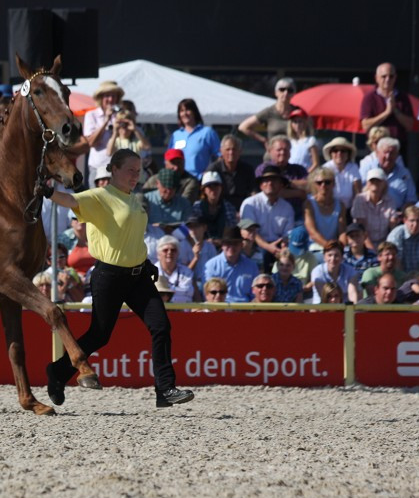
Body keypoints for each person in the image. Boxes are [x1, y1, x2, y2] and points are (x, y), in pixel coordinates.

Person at [45, 148, 195, 408]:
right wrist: (46, 192)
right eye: (130, 170)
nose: (135, 176)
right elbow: (69, 201)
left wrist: (145, 261)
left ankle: (165, 389)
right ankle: (57, 372)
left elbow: (131, 237)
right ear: (113, 170)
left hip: (138, 276)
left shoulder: (134, 199)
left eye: (138, 171)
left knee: (161, 326)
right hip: (109, 276)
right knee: (99, 335)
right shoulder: (100, 196)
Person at [240, 165, 295, 270]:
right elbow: (250, 232)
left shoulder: (287, 208)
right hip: (255, 246)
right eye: (266, 180)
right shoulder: (249, 203)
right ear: (261, 185)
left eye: (274, 180)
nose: (270, 183)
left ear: (281, 185)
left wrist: (283, 250)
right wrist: (268, 247)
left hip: (279, 247)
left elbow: (288, 234)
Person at [359, 62, 415, 151]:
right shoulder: (370, 98)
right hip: (376, 149)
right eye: (384, 76)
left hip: (398, 148)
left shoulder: (403, 97)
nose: (388, 79)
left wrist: (395, 111)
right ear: (376, 78)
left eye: (391, 76)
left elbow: (410, 125)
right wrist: (386, 113)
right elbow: (365, 125)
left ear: (395, 78)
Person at [253, 136, 309, 217]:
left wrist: (287, 184)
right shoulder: (263, 169)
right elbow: (270, 193)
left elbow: (310, 187)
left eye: (285, 150)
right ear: (270, 151)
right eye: (279, 150)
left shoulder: (299, 170)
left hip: (297, 215)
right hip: (270, 215)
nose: (282, 153)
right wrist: (299, 192)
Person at [238, 77, 301, 149]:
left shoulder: (298, 112)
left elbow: (308, 131)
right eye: (282, 89)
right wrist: (263, 140)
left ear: (294, 93)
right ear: (276, 93)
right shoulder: (269, 112)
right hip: (272, 156)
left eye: (290, 90)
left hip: (293, 154)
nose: (285, 93)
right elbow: (243, 127)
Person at [203, 226, 259, 303]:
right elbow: (208, 293)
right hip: (220, 308)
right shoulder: (211, 265)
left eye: (235, 243)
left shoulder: (252, 266)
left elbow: (255, 294)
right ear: (222, 246)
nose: (231, 247)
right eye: (228, 243)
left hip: (245, 309)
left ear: (241, 245)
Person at [167, 98, 220, 179]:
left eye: (187, 110)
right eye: (181, 111)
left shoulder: (207, 132)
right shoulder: (176, 135)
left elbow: (219, 157)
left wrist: (209, 172)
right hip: (179, 181)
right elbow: (168, 159)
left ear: (194, 112)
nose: (184, 113)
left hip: (199, 179)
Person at [350, 168, 399, 249]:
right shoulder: (360, 199)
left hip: (384, 243)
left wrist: (386, 248)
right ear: (368, 183)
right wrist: (373, 251)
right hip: (363, 244)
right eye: (372, 181)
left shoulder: (390, 201)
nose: (375, 183)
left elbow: (392, 228)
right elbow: (361, 229)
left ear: (384, 183)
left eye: (378, 181)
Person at [362, 137, 416, 209]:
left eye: (392, 153)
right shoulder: (367, 168)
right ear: (377, 153)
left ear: (397, 155)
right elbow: (359, 193)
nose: (388, 156)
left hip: (398, 215)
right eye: (385, 152)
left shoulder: (404, 173)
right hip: (370, 213)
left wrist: (404, 213)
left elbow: (411, 199)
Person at [204, 134, 255, 210]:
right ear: (221, 151)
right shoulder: (213, 169)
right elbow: (206, 193)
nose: (231, 153)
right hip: (219, 210)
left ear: (240, 151)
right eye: (228, 149)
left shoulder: (248, 169)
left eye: (234, 149)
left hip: (244, 210)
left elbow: (254, 192)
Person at [304, 167, 345, 253]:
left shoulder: (341, 205)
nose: (323, 185)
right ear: (314, 185)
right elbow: (312, 232)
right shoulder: (309, 204)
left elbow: (342, 232)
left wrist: (341, 248)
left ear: (333, 184)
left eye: (327, 182)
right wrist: (329, 247)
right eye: (319, 183)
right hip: (315, 247)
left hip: (335, 249)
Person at [193, 170, 238, 246]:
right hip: (201, 245)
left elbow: (229, 231)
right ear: (204, 190)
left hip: (223, 246)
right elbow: (194, 230)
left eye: (216, 186)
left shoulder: (228, 207)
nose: (213, 190)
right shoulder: (197, 207)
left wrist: (219, 242)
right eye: (210, 187)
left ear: (221, 188)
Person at [386, 205, 419, 273]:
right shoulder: (396, 235)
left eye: (418, 221)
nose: (415, 224)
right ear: (405, 220)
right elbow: (396, 262)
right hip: (399, 275)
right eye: (412, 221)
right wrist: (406, 279)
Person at [321, 137, 361, 210]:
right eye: (335, 150)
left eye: (343, 151)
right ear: (331, 154)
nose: (339, 153)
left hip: (350, 209)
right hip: (330, 208)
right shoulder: (326, 168)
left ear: (348, 154)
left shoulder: (353, 167)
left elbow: (357, 192)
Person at [153, 235, 196, 303]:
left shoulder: (187, 272)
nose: (169, 252)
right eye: (165, 250)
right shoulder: (150, 273)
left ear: (178, 253)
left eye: (173, 250)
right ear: (158, 254)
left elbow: (192, 294)